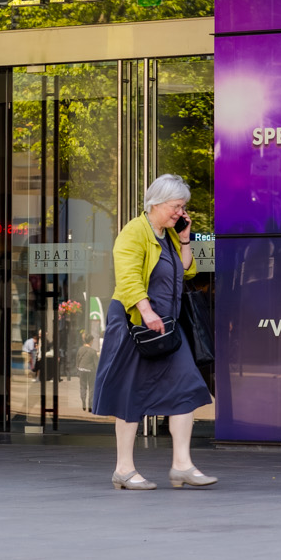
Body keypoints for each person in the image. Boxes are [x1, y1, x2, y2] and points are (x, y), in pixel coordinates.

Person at [88, 174, 215, 489]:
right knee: (130, 392)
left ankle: (182, 465)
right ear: (156, 203)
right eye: (176, 207)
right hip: (136, 322)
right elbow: (128, 276)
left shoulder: (169, 234)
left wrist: (185, 239)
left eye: (182, 207)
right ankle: (123, 469)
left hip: (167, 325)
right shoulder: (134, 232)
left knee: (186, 385)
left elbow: (188, 271)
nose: (179, 213)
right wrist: (145, 311)